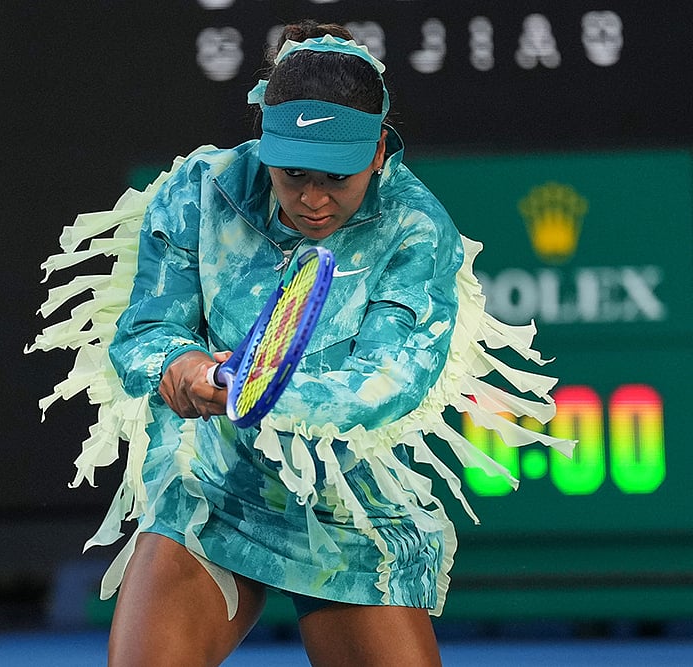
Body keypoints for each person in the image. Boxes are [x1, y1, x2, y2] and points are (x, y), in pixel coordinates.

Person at [29, 19, 571, 667]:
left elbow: (392, 380)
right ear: (264, 141)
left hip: (348, 503)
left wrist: (262, 391)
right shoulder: (199, 191)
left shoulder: (415, 229)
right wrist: (184, 367)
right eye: (293, 174)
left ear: (377, 153)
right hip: (211, 486)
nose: (312, 200)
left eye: (337, 177)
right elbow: (146, 334)